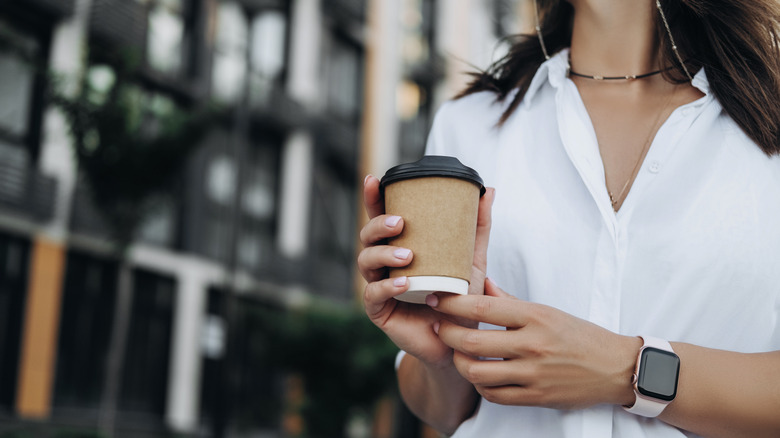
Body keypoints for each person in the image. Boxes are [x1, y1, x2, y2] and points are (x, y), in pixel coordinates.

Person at [358, 0, 780, 436]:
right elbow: (444, 413)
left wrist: (622, 368)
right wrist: (442, 353)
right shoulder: (470, 124)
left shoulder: (767, 126)